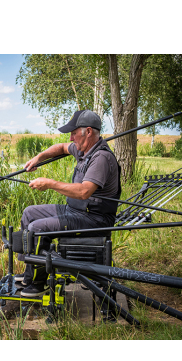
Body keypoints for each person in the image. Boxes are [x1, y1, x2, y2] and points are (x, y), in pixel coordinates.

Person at [16, 109, 121, 297]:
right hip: (75, 210)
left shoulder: (101, 158)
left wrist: (50, 184)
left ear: (88, 132)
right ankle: (30, 272)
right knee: (29, 213)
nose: (71, 138)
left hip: (94, 218)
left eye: (74, 133)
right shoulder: (84, 149)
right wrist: (38, 158)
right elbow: (61, 147)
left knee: (37, 228)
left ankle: (39, 283)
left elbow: (84, 192)